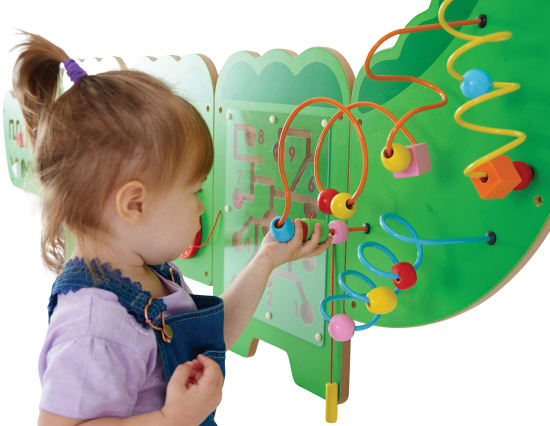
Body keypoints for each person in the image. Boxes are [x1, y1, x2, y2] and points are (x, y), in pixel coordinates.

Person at [11, 31, 331, 426]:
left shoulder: (148, 275)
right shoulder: (94, 326)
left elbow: (211, 340)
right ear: (135, 204)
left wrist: (266, 260)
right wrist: (171, 419)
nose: (201, 204)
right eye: (193, 190)